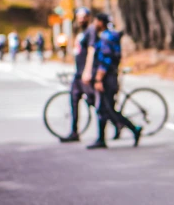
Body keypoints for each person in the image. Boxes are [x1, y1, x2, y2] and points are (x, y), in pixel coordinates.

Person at [86, 13, 142, 150]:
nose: (94, 24)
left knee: (108, 109)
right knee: (104, 108)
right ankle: (101, 138)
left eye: (96, 21)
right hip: (111, 76)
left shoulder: (106, 37)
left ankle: (134, 128)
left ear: (101, 22)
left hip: (107, 78)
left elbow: (106, 59)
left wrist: (99, 78)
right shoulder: (109, 35)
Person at [60, 8, 97, 143]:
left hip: (85, 74)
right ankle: (74, 132)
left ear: (88, 17)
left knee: (96, 103)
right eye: (79, 17)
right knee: (74, 99)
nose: (81, 19)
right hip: (78, 74)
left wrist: (88, 71)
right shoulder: (80, 32)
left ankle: (121, 123)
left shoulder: (91, 31)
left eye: (84, 17)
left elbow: (92, 51)